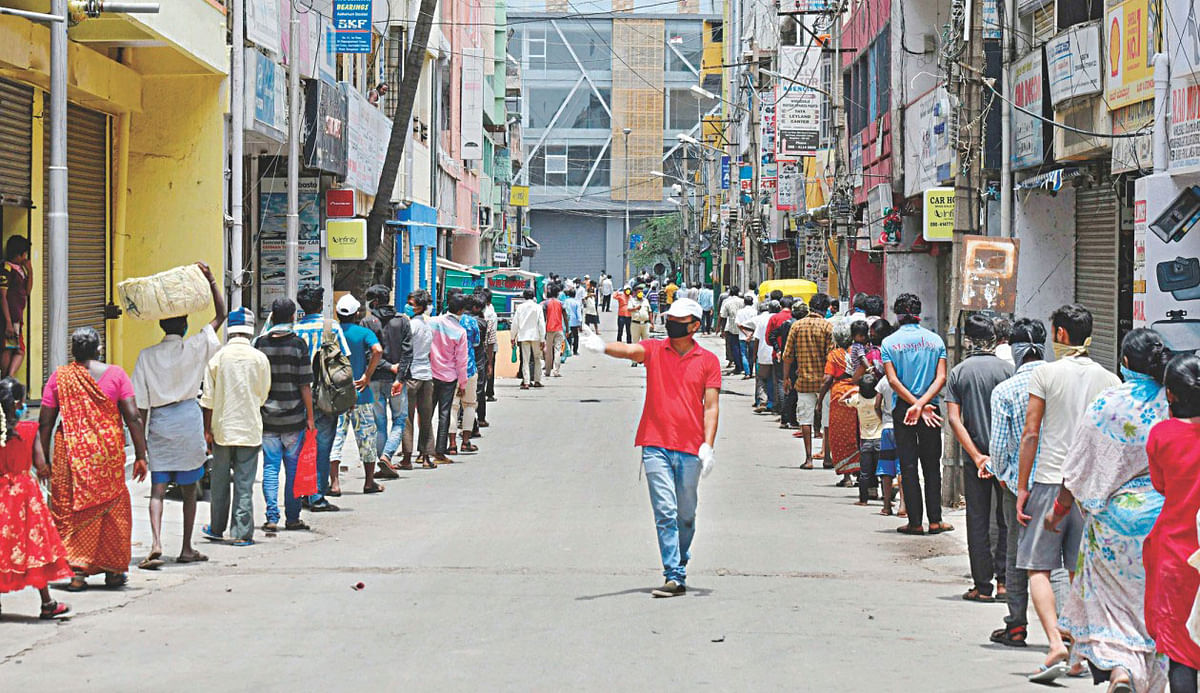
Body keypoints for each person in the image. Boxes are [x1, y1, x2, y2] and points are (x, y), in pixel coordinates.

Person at [1049, 329, 1171, 692]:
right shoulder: (1176, 401)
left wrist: (1059, 510)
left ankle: (1120, 669)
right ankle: (1148, 677)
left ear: (1127, 362)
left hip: (1114, 523)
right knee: (1156, 605)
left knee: (1114, 605)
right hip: (1164, 518)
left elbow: (1079, 465)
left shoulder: (1108, 403)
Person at [579, 298, 719, 598]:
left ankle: (679, 562)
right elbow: (630, 350)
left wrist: (708, 445)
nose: (672, 324)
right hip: (655, 442)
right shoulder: (656, 350)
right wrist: (603, 346)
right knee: (666, 511)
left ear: (695, 325)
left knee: (686, 515)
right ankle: (673, 573)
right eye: (670, 318)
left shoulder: (708, 360)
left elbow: (711, 407)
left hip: (691, 448)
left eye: (680, 321)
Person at [1016, 304, 1121, 683]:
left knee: (1038, 567)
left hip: (1048, 480)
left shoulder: (1045, 373)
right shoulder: (1110, 380)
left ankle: (1054, 643)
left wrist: (1022, 487)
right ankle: (1077, 652)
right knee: (1080, 571)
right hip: (1090, 488)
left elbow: (1031, 433)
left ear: (1060, 335)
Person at [41, 327, 148, 592]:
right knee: (112, 509)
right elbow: (133, 417)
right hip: (107, 455)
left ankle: (77, 572)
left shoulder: (60, 377)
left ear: (73, 352)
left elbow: (45, 422)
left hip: (71, 453)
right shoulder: (117, 375)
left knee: (72, 509)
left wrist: (43, 458)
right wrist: (141, 454)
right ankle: (112, 572)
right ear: (99, 349)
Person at [132, 261, 225, 565]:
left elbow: (140, 408)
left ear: (161, 326)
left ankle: (157, 541)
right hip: (188, 420)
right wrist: (211, 280)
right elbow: (221, 315)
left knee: (158, 490)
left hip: (160, 423)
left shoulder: (146, 356)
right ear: (184, 326)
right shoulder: (196, 346)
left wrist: (141, 449)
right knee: (189, 490)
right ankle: (186, 548)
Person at [986, 318, 1048, 648]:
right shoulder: (1060, 383)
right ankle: (1065, 629)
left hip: (1017, 486)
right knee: (1061, 556)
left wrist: (1003, 474)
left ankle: (1016, 625)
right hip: (1060, 482)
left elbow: (999, 447)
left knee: (1015, 554)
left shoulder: (1006, 391)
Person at [944, 314, 1013, 602]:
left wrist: (977, 457)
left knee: (977, 518)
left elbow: (954, 420)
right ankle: (1005, 582)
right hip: (1006, 457)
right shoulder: (1009, 371)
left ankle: (982, 585)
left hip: (975, 460)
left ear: (968, 341)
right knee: (1006, 519)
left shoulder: (959, 373)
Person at [1145, 353, 1200, 693]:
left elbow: (1160, 485)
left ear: (1170, 395)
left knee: (1180, 647)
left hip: (1177, 554)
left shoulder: (1162, 435)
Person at [0, 377, 71, 619]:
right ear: (19, 403)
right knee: (35, 548)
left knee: (2, 547)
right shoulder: (29, 431)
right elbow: (41, 464)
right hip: (24, 497)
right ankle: (47, 603)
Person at [200, 308, 271, 547]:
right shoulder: (259, 358)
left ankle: (217, 528)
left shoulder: (217, 358)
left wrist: (206, 430)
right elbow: (262, 394)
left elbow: (207, 399)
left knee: (219, 481)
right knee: (244, 483)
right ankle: (241, 532)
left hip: (222, 429)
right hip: (249, 428)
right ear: (250, 330)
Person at [881, 293, 950, 535]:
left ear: (897, 315)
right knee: (932, 465)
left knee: (908, 466)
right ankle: (935, 520)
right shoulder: (936, 341)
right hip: (931, 407)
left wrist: (914, 405)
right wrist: (923, 403)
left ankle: (915, 522)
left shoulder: (889, 343)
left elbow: (892, 380)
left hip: (905, 410)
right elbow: (941, 378)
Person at [254, 298, 315, 532]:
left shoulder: (260, 344)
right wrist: (310, 417)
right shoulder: (298, 345)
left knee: (270, 467)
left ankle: (271, 516)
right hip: (294, 419)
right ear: (292, 317)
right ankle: (292, 517)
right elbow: (305, 385)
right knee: (292, 469)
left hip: (267, 418)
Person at [291, 286, 351, 511]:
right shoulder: (331, 327)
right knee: (323, 446)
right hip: (326, 394)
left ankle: (304, 492)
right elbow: (344, 361)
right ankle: (316, 495)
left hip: (299, 394)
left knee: (301, 445)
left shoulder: (295, 329)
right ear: (320, 305)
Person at [331, 294, 385, 493]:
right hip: (361, 393)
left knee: (336, 437)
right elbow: (377, 350)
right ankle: (369, 482)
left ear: (337, 313)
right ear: (357, 314)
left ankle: (334, 484)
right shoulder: (363, 332)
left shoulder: (331, 333)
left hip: (336, 395)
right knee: (366, 438)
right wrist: (367, 376)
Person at [362, 284, 412, 477]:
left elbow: (369, 354)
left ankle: (383, 458)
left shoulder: (367, 322)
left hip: (374, 378)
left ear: (374, 302)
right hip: (397, 380)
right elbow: (408, 352)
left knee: (379, 422)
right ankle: (387, 457)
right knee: (399, 419)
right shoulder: (402, 321)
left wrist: (386, 367)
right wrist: (398, 375)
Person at [782, 293, 834, 468]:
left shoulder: (797, 326)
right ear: (825, 308)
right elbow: (831, 356)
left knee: (805, 419)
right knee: (826, 420)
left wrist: (786, 377)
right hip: (825, 382)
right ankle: (827, 457)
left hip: (804, 381)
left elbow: (787, 355)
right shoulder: (828, 327)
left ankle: (809, 458)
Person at [817, 318, 860, 485]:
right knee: (859, 435)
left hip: (840, 397)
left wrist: (820, 401)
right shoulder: (859, 352)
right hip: (859, 394)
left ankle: (847, 476)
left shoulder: (834, 355)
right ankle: (861, 473)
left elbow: (827, 379)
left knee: (841, 435)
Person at [430, 292, 470, 464]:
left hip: (430, 374)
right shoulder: (460, 332)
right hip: (449, 376)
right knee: (444, 414)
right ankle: (439, 451)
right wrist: (463, 383)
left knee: (426, 413)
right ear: (461, 310)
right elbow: (462, 360)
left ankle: (423, 451)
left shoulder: (433, 322)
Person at [400, 290, 436, 468]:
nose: (408, 306)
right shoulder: (428, 326)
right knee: (426, 417)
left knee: (407, 417)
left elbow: (404, 350)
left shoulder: (411, 326)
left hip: (412, 375)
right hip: (427, 375)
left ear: (419, 307)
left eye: (411, 304)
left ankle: (407, 457)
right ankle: (426, 455)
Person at [449, 295, 482, 455]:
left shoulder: (444, 321)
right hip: (469, 368)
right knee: (469, 405)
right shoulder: (471, 322)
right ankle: (466, 442)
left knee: (452, 407)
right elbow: (476, 343)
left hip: (449, 370)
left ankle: (452, 443)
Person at [844, 371, 883, 506]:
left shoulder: (857, 399)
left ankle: (863, 500)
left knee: (865, 473)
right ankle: (886, 500)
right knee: (883, 472)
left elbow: (841, 401)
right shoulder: (879, 400)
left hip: (865, 440)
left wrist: (853, 391)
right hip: (880, 439)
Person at [0, 236, 32, 377]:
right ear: (19, 254)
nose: (25, 257)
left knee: (12, 347)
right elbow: (2, 296)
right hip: (11, 317)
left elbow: (28, 291)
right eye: (24, 254)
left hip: (16, 317)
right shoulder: (6, 269)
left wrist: (30, 271)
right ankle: (7, 379)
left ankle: (7, 379)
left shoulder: (20, 270)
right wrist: (8, 322)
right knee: (16, 349)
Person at [472, 287, 497, 428]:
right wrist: (490, 362)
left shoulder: (464, 320)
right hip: (480, 359)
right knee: (479, 391)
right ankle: (479, 419)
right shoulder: (488, 319)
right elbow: (491, 342)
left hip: (465, 360)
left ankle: (466, 420)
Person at [511, 288, 545, 390]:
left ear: (524, 296)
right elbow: (541, 324)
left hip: (523, 336)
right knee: (537, 358)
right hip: (536, 336)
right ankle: (537, 380)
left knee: (525, 360)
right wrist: (542, 338)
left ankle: (526, 382)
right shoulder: (538, 307)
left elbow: (515, 323)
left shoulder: (520, 307)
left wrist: (512, 337)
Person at [751, 301, 780, 413]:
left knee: (761, 379)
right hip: (776, 353)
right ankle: (775, 404)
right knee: (776, 380)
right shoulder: (780, 319)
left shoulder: (762, 320)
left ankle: (763, 401)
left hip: (763, 353)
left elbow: (757, 338)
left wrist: (754, 354)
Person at [542, 286, 567, 378]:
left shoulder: (546, 303)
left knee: (548, 351)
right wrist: (567, 329)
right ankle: (556, 371)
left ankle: (547, 371)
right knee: (558, 350)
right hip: (559, 329)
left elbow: (544, 318)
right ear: (557, 294)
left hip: (548, 329)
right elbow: (565, 316)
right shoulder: (561, 303)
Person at [719, 287, 744, 374]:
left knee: (735, 348)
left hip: (732, 328)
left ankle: (738, 366)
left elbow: (723, 317)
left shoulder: (727, 302)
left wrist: (722, 330)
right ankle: (744, 366)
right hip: (743, 327)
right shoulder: (743, 301)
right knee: (743, 348)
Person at [736, 296, 757, 379]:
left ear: (744, 302)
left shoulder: (740, 312)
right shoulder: (755, 312)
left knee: (744, 354)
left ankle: (747, 373)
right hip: (753, 336)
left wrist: (745, 334)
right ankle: (752, 372)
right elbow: (756, 325)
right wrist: (750, 335)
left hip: (742, 336)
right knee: (752, 354)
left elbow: (738, 324)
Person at [564, 287, 584, 356]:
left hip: (567, 321)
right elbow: (579, 314)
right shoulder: (577, 303)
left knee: (568, 336)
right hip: (575, 322)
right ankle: (575, 350)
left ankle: (568, 349)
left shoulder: (565, 301)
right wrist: (580, 324)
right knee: (576, 336)